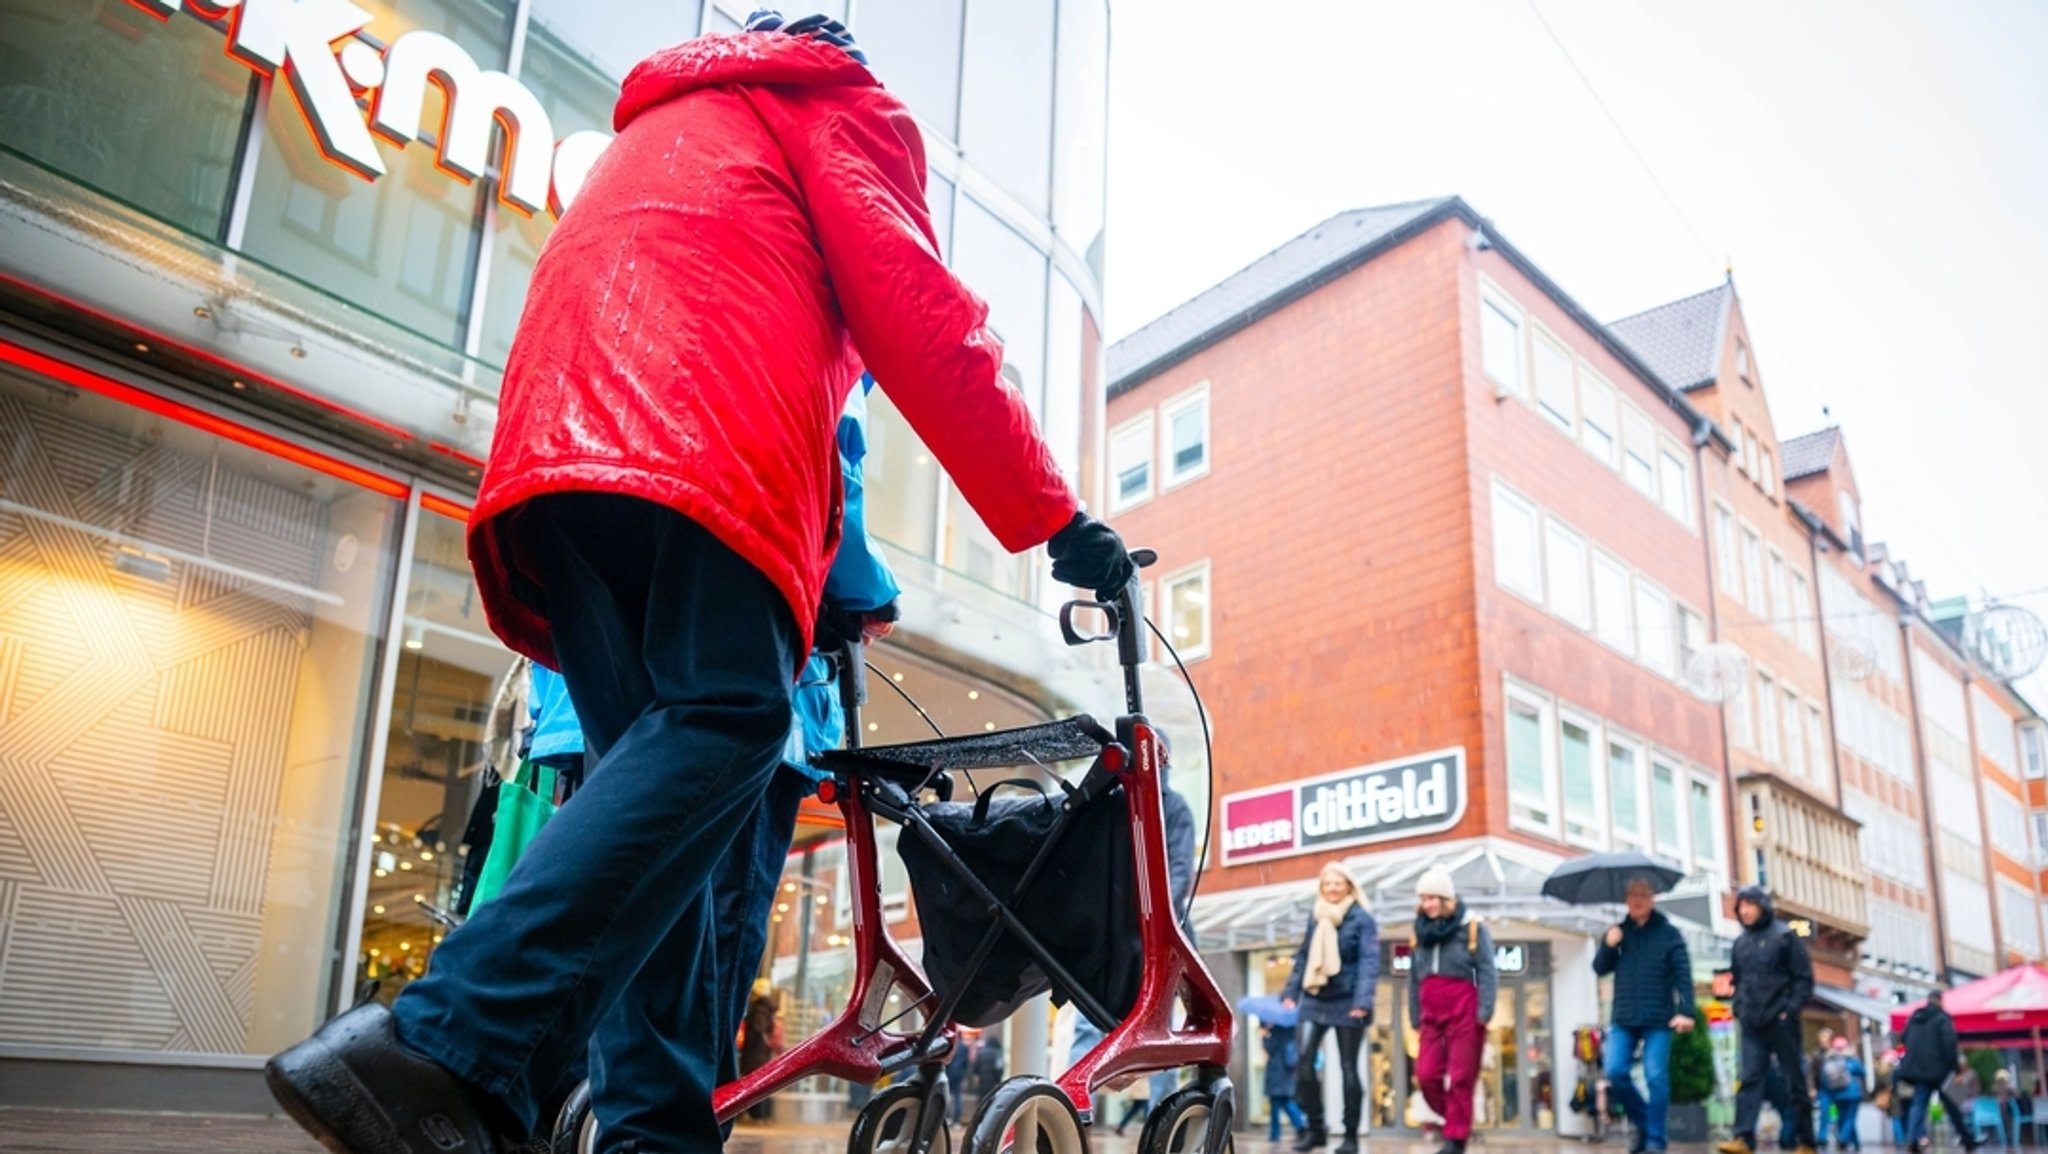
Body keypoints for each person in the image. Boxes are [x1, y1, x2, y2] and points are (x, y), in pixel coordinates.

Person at [263, 9, 1137, 1153]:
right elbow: (921, 315)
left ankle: (649, 1133)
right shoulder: (831, 108)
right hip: (697, 440)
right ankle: (441, 1035)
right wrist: (1052, 516)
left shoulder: (668, 123)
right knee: (729, 719)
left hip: (559, 455)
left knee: (661, 820)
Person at [1593, 877, 1699, 1154]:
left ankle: (1655, 1142)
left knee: (1655, 1076)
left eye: (1642, 894)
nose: (1637, 900)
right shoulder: (1619, 932)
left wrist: (1686, 1011)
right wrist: (1607, 943)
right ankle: (1646, 1124)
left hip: (1658, 1018)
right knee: (1615, 1072)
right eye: (1632, 895)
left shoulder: (1668, 934)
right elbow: (1599, 968)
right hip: (1624, 1017)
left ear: (1652, 898)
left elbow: (1683, 975)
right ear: (1626, 900)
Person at [1281, 863, 1380, 1154]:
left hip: (1349, 1002)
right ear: (1321, 888)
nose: (1332, 888)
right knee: (1303, 1063)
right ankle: (1316, 1129)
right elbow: (1303, 957)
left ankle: (1350, 1135)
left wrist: (1363, 1002)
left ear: (1349, 886)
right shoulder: (1317, 916)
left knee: (1348, 1069)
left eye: (1338, 883)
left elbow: (1369, 962)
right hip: (1315, 998)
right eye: (1327, 884)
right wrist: (1291, 991)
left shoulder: (1362, 919)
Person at [1716, 886, 1819, 1154]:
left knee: (1794, 1080)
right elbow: (1737, 980)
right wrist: (1740, 1007)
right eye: (1741, 906)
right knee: (1749, 1079)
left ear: (1762, 906)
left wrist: (1790, 1010)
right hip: (1751, 1022)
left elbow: (1803, 979)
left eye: (1750, 904)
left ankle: (1806, 1141)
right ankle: (1743, 1138)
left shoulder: (1785, 936)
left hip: (1781, 1020)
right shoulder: (1741, 943)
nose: (1745, 911)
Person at [1408, 864, 1496, 1154]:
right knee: (1426, 1074)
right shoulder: (1419, 932)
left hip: (1464, 1008)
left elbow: (1487, 970)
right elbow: (1413, 977)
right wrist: (1413, 1013)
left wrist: (1485, 1010)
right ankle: (1457, 1123)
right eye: (1423, 898)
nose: (1427, 904)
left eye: (1433, 898)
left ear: (1447, 899)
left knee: (1461, 1076)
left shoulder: (1471, 927)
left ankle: (1456, 1139)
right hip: (1430, 1012)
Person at [1898, 991, 1979, 1153]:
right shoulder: (1942, 1019)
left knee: (1918, 1105)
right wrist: (1955, 1069)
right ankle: (1967, 1139)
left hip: (1919, 1072)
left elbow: (1904, 1039)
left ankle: (1912, 1140)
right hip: (1941, 1072)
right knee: (1953, 1104)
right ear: (1940, 1002)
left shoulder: (1914, 1019)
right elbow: (1950, 1045)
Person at [739, 979, 783, 1122]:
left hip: (754, 1052)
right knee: (761, 1082)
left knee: (753, 1082)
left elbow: (758, 1028)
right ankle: (762, 1114)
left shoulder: (759, 1009)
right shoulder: (768, 1009)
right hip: (762, 1052)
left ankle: (756, 1114)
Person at [1820, 1035, 1866, 1151]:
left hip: (1836, 1095)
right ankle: (1844, 1139)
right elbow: (1863, 1072)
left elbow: (1824, 1079)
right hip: (1852, 1094)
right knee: (1850, 1118)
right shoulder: (1852, 1060)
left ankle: (1855, 1143)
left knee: (1841, 1118)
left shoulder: (1829, 1059)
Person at [1265, 1021, 1308, 1144]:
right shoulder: (1290, 1032)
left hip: (1276, 1073)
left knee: (1276, 1104)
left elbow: (1270, 1048)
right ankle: (1301, 1125)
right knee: (1285, 1101)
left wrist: (1265, 1036)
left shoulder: (1275, 1034)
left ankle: (1275, 1134)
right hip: (1286, 1074)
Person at [1812, 1028, 1839, 1147]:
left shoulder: (1838, 1053)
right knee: (1824, 1113)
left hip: (1838, 1089)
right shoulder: (1817, 1055)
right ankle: (1822, 1137)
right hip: (1824, 1089)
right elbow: (1812, 1072)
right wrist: (1812, 1087)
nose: (1823, 1042)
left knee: (1835, 1115)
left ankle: (1839, 1136)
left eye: (1825, 1039)